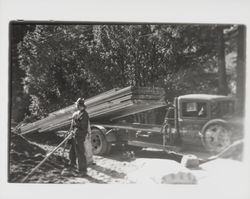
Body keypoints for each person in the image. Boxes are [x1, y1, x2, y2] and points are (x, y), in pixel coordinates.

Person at [69, 98, 89, 176]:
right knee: (72, 152)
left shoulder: (84, 114)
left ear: (80, 105)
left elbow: (82, 126)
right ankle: (72, 167)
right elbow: (74, 125)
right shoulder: (79, 113)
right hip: (75, 135)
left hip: (80, 136)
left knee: (80, 153)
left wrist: (75, 120)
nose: (76, 106)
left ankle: (83, 171)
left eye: (77, 105)